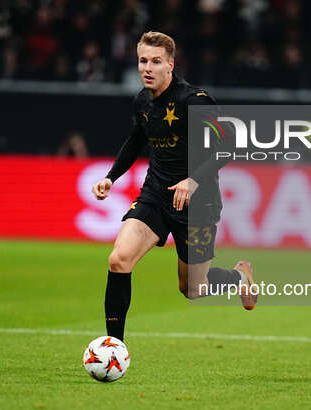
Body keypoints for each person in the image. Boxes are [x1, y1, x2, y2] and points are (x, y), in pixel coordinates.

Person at [91, 31, 257, 342]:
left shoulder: (193, 100)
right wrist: (111, 177)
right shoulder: (142, 100)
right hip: (155, 195)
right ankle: (114, 347)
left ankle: (238, 277)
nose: (147, 68)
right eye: (143, 61)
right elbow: (136, 140)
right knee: (119, 259)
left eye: (156, 61)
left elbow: (229, 143)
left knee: (192, 288)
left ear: (170, 65)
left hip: (199, 203)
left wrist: (193, 180)